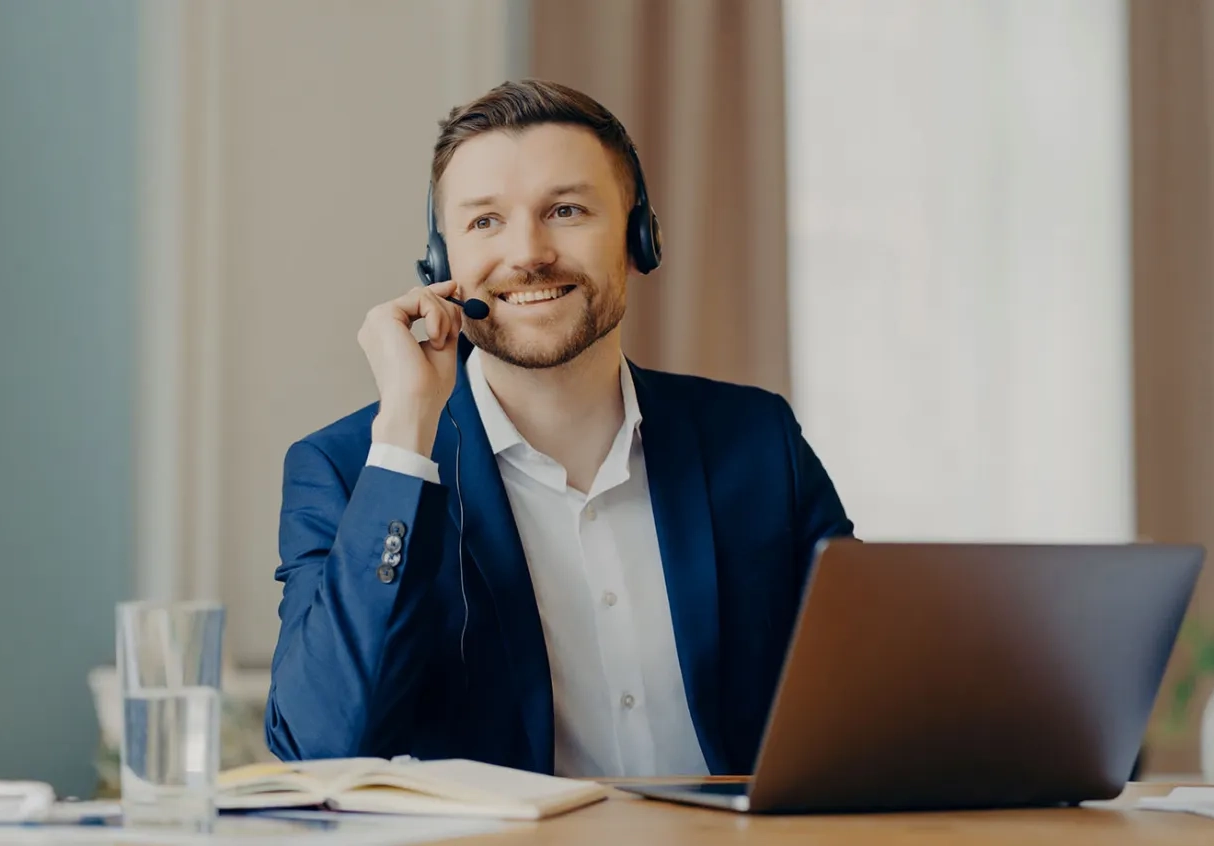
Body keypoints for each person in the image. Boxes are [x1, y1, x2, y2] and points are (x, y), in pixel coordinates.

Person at [266, 80, 855, 778]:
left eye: (566, 210)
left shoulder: (758, 441)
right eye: (485, 221)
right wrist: (403, 437)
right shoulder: (346, 469)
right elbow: (321, 748)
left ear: (641, 237)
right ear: (439, 261)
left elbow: (869, 696)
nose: (529, 254)